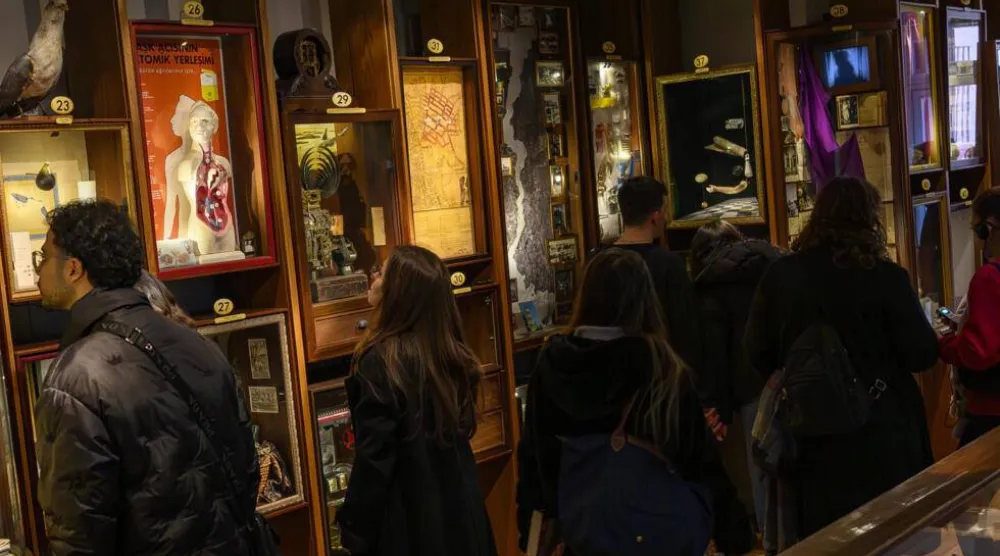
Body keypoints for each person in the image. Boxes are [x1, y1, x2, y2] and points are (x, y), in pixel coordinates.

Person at [33, 199, 264, 555]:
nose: (39, 269)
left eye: (45, 256)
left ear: (73, 269)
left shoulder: (75, 377)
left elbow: (78, 531)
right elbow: (248, 466)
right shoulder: (196, 341)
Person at [517, 248, 752, 555]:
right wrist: (734, 532)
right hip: (655, 534)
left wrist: (533, 529)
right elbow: (699, 461)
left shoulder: (553, 363)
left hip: (580, 533)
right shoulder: (660, 367)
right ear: (644, 299)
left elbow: (535, 457)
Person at [745, 177, 938, 547]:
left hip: (812, 436)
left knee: (825, 541)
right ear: (870, 220)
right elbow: (922, 352)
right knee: (896, 537)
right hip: (885, 433)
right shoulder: (885, 277)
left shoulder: (781, 277)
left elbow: (756, 353)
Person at [336, 245, 497, 556]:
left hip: (408, 527)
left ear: (399, 291)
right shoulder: (451, 354)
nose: (374, 277)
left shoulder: (380, 361)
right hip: (462, 522)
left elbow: (374, 461)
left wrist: (354, 531)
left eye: (382, 272)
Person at [691, 219, 783, 539]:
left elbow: (716, 355)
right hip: (791, 376)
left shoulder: (709, 288)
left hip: (750, 387)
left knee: (761, 469)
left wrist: (715, 406)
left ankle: (769, 539)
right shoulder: (772, 261)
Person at [612, 176, 702, 373]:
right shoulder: (668, 264)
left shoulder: (599, 262)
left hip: (611, 376)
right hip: (660, 376)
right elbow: (686, 332)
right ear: (655, 216)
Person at [939, 187, 1000, 446]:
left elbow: (978, 351)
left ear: (989, 228)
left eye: (977, 230)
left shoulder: (989, 278)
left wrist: (946, 345)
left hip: (991, 411)